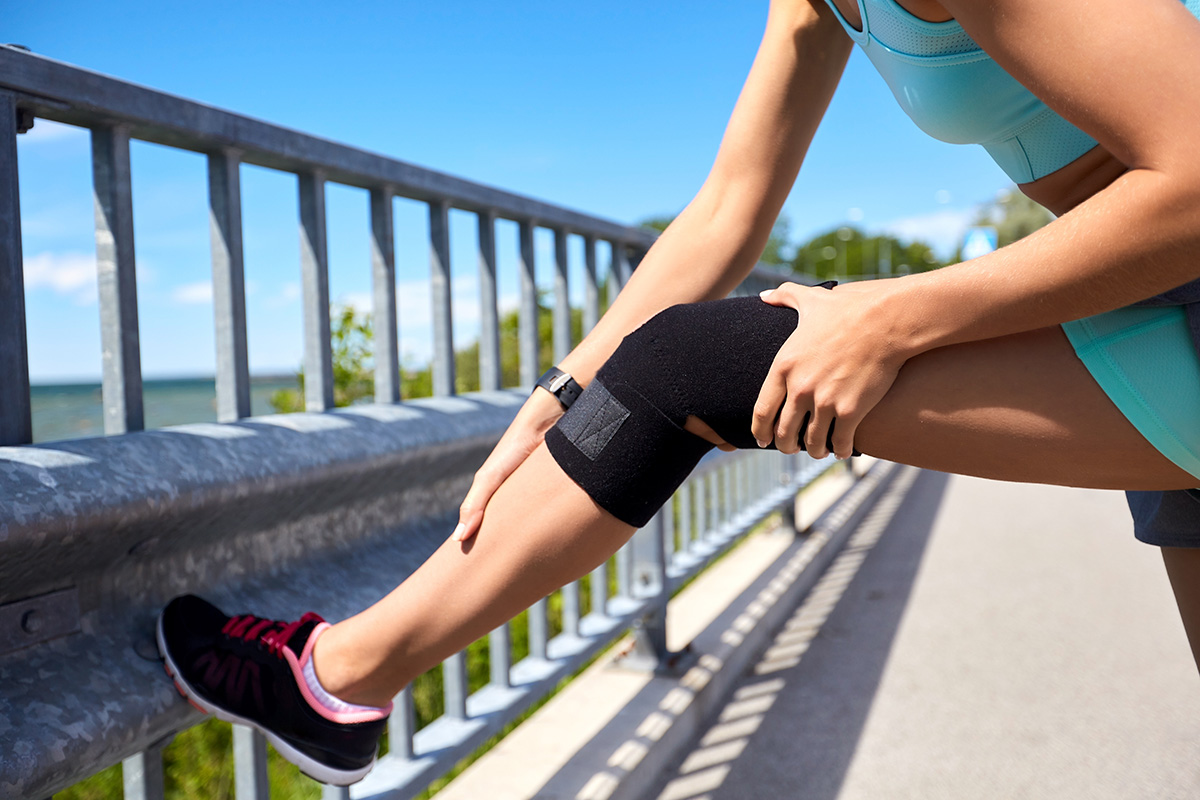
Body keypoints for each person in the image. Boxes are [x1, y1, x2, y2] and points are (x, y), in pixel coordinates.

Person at [157, 0, 1200, 786]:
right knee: (658, 361)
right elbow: (725, 210)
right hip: (1138, 296)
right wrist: (565, 388)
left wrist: (892, 314)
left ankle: (338, 670)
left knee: (696, 366)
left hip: (1168, 281)